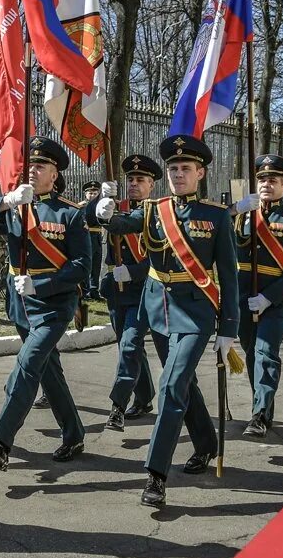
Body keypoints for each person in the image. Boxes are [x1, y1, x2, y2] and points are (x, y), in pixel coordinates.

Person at [96, 134, 240, 508]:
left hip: (195, 312)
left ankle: (156, 473)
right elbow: (117, 225)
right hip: (158, 309)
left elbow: (229, 275)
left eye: (185, 169)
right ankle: (206, 445)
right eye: (174, 169)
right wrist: (103, 208)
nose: (178, 174)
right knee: (185, 383)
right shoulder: (153, 209)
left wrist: (229, 330)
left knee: (172, 384)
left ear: (200, 173)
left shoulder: (216, 215)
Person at [0, 136, 90, 472]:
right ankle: (75, 433)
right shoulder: (16, 206)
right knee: (48, 372)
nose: (33, 170)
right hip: (20, 305)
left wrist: (42, 283)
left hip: (53, 305)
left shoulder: (70, 214)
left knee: (28, 364)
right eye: (30, 165)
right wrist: (5, 201)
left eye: (41, 166)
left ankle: (1, 444)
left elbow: (81, 266)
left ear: (55, 174)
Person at [233, 154, 283, 439]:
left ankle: (259, 414)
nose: (267, 184)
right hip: (243, 297)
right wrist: (235, 210)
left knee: (266, 353)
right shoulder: (241, 214)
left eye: (273, 180)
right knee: (252, 352)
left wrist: (269, 297)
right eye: (262, 179)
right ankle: (263, 406)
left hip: (276, 301)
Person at [92, 155, 163, 431]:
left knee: (131, 344)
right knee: (128, 347)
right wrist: (100, 202)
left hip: (144, 289)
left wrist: (134, 272)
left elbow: (161, 258)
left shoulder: (158, 213)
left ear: (152, 185)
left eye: (141, 180)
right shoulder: (114, 208)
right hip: (116, 290)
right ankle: (144, 398)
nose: (134, 184)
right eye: (130, 179)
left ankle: (117, 407)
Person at [82, 180, 103, 300]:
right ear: (85, 194)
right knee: (86, 264)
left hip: (98, 237)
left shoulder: (102, 206)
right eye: (90, 193)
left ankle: (94, 290)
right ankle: (84, 291)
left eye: (95, 193)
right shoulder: (81, 207)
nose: (92, 195)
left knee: (96, 265)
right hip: (86, 237)